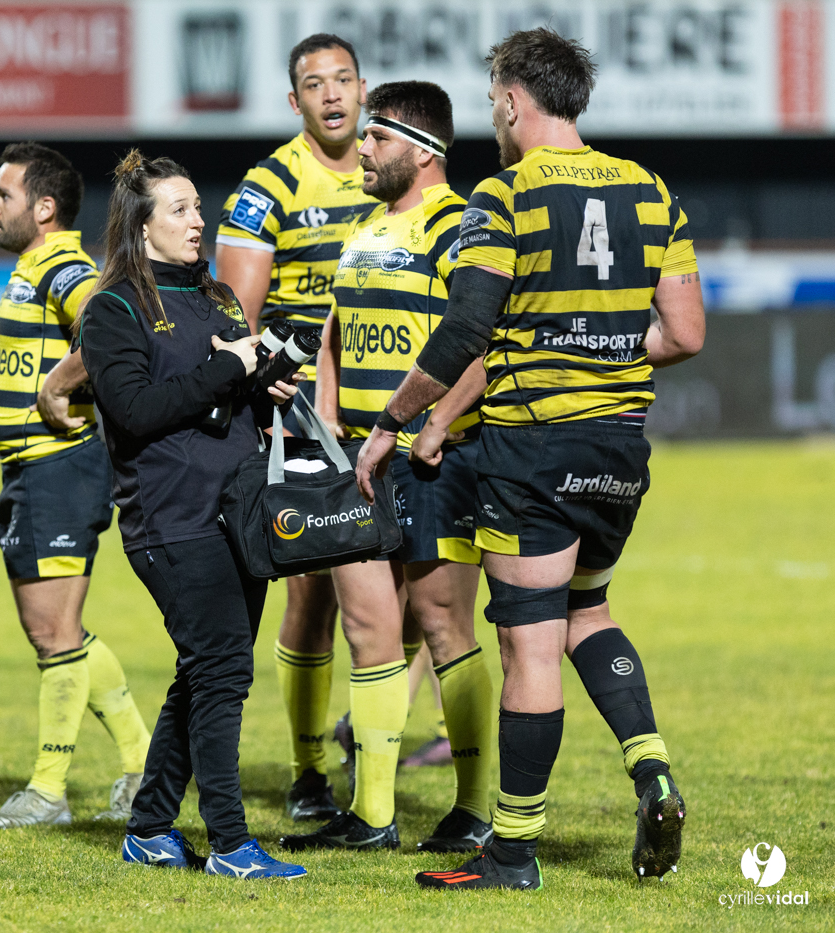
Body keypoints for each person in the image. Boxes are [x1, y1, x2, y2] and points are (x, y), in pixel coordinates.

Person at [354, 30, 705, 890]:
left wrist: (394, 422)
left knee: (530, 648)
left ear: (513, 101)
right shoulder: (651, 191)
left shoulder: (503, 198)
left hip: (532, 449)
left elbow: (467, 329)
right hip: (620, 447)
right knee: (589, 609)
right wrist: (602, 348)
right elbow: (686, 333)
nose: (494, 121)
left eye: (491, 106)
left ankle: (510, 849)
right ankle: (651, 765)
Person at [278, 82, 495, 856]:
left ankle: (474, 806)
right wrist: (329, 421)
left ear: (422, 150)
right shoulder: (366, 229)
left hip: (435, 460)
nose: (360, 150)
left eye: (376, 137)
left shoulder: (461, 226)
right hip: (357, 461)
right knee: (370, 631)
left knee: (442, 626)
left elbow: (481, 341)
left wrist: (432, 425)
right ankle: (373, 815)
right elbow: (333, 328)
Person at [80, 150, 305, 880]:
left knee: (204, 669)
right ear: (140, 228)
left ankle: (150, 826)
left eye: (197, 207)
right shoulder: (112, 309)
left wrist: (261, 381)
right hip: (170, 520)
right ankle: (232, 844)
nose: (197, 220)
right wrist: (227, 369)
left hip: (240, 512)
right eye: (179, 209)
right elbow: (136, 410)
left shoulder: (216, 299)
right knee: (223, 669)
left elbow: (218, 394)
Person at [215, 32, 376, 823]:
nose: (333, 94)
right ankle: (311, 769)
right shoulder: (269, 185)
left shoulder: (397, 172)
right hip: (308, 420)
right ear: (295, 101)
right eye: (315, 83)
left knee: (418, 604)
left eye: (343, 78)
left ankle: (375, 756)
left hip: (391, 411)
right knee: (312, 596)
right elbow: (236, 318)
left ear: (363, 85)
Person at [0, 142, 150, 829]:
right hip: (32, 470)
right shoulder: (32, 266)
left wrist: (58, 385)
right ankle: (141, 759)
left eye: (3, 194)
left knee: (52, 631)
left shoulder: (64, 265)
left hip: (61, 466)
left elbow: (110, 328)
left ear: (43, 208)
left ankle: (48, 792)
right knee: (58, 628)